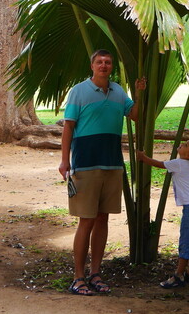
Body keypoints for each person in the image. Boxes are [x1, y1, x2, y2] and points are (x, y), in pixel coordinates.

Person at [59, 50, 145, 296]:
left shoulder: (118, 91)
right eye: (100, 62)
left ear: (112, 67)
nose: (104, 66)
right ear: (92, 66)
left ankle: (96, 273)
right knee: (86, 220)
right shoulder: (79, 91)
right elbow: (68, 127)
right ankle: (78, 277)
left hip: (112, 164)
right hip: (86, 164)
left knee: (102, 219)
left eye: (108, 63)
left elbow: (136, 116)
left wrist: (139, 93)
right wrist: (65, 160)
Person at [137, 137, 189, 288]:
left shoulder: (180, 163)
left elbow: (158, 164)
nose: (181, 145)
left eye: (185, 145)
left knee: (186, 243)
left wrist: (142, 158)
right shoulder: (186, 164)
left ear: (188, 155)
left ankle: (178, 276)